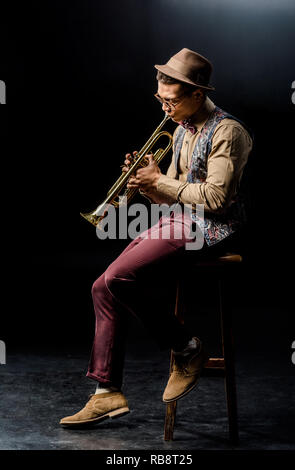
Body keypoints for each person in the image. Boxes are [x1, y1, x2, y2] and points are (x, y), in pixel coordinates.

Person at [60, 48, 253, 427]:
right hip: (180, 220)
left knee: (118, 278)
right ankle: (106, 392)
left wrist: (160, 181)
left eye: (171, 101)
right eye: (159, 99)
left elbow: (215, 198)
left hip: (213, 228)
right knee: (102, 286)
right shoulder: (181, 129)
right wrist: (147, 184)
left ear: (198, 95)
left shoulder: (229, 131)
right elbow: (173, 191)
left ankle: (188, 349)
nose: (165, 108)